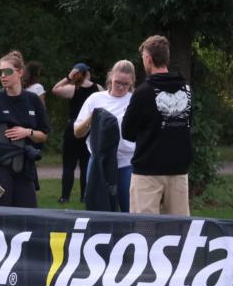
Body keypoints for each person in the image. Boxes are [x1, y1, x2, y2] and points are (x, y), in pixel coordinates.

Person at [0, 50, 50, 208]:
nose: (3, 76)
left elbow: (43, 135)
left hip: (24, 169)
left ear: (20, 72)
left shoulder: (33, 100)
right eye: (1, 72)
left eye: (7, 71)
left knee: (28, 215)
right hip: (0, 169)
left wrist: (27, 132)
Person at [122, 35, 192, 216]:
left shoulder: (143, 92)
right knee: (179, 232)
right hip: (178, 168)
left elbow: (127, 131)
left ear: (148, 59)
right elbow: (188, 123)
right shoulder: (186, 89)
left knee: (145, 233)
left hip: (148, 170)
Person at [72, 60, 137, 212]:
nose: (121, 87)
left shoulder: (134, 100)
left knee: (129, 208)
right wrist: (92, 118)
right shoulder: (96, 99)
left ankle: (131, 235)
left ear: (132, 82)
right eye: (117, 82)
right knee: (97, 206)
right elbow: (77, 133)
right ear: (110, 78)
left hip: (126, 162)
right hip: (99, 161)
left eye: (125, 84)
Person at [51, 63, 102, 203]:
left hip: (73, 128)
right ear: (87, 73)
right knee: (85, 163)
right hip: (90, 128)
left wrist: (68, 77)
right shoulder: (97, 89)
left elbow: (55, 89)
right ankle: (84, 196)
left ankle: (65, 196)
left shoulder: (73, 88)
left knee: (69, 164)